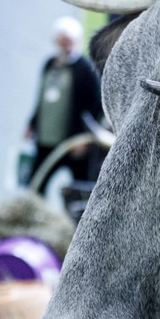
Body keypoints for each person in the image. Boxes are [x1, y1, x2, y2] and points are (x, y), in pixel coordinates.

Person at [25, 16, 104, 194]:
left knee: (79, 188)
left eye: (69, 42)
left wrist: (84, 138)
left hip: (72, 143)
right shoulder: (49, 65)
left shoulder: (84, 69)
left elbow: (96, 105)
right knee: (35, 184)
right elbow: (42, 100)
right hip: (46, 140)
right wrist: (32, 124)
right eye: (62, 41)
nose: (65, 46)